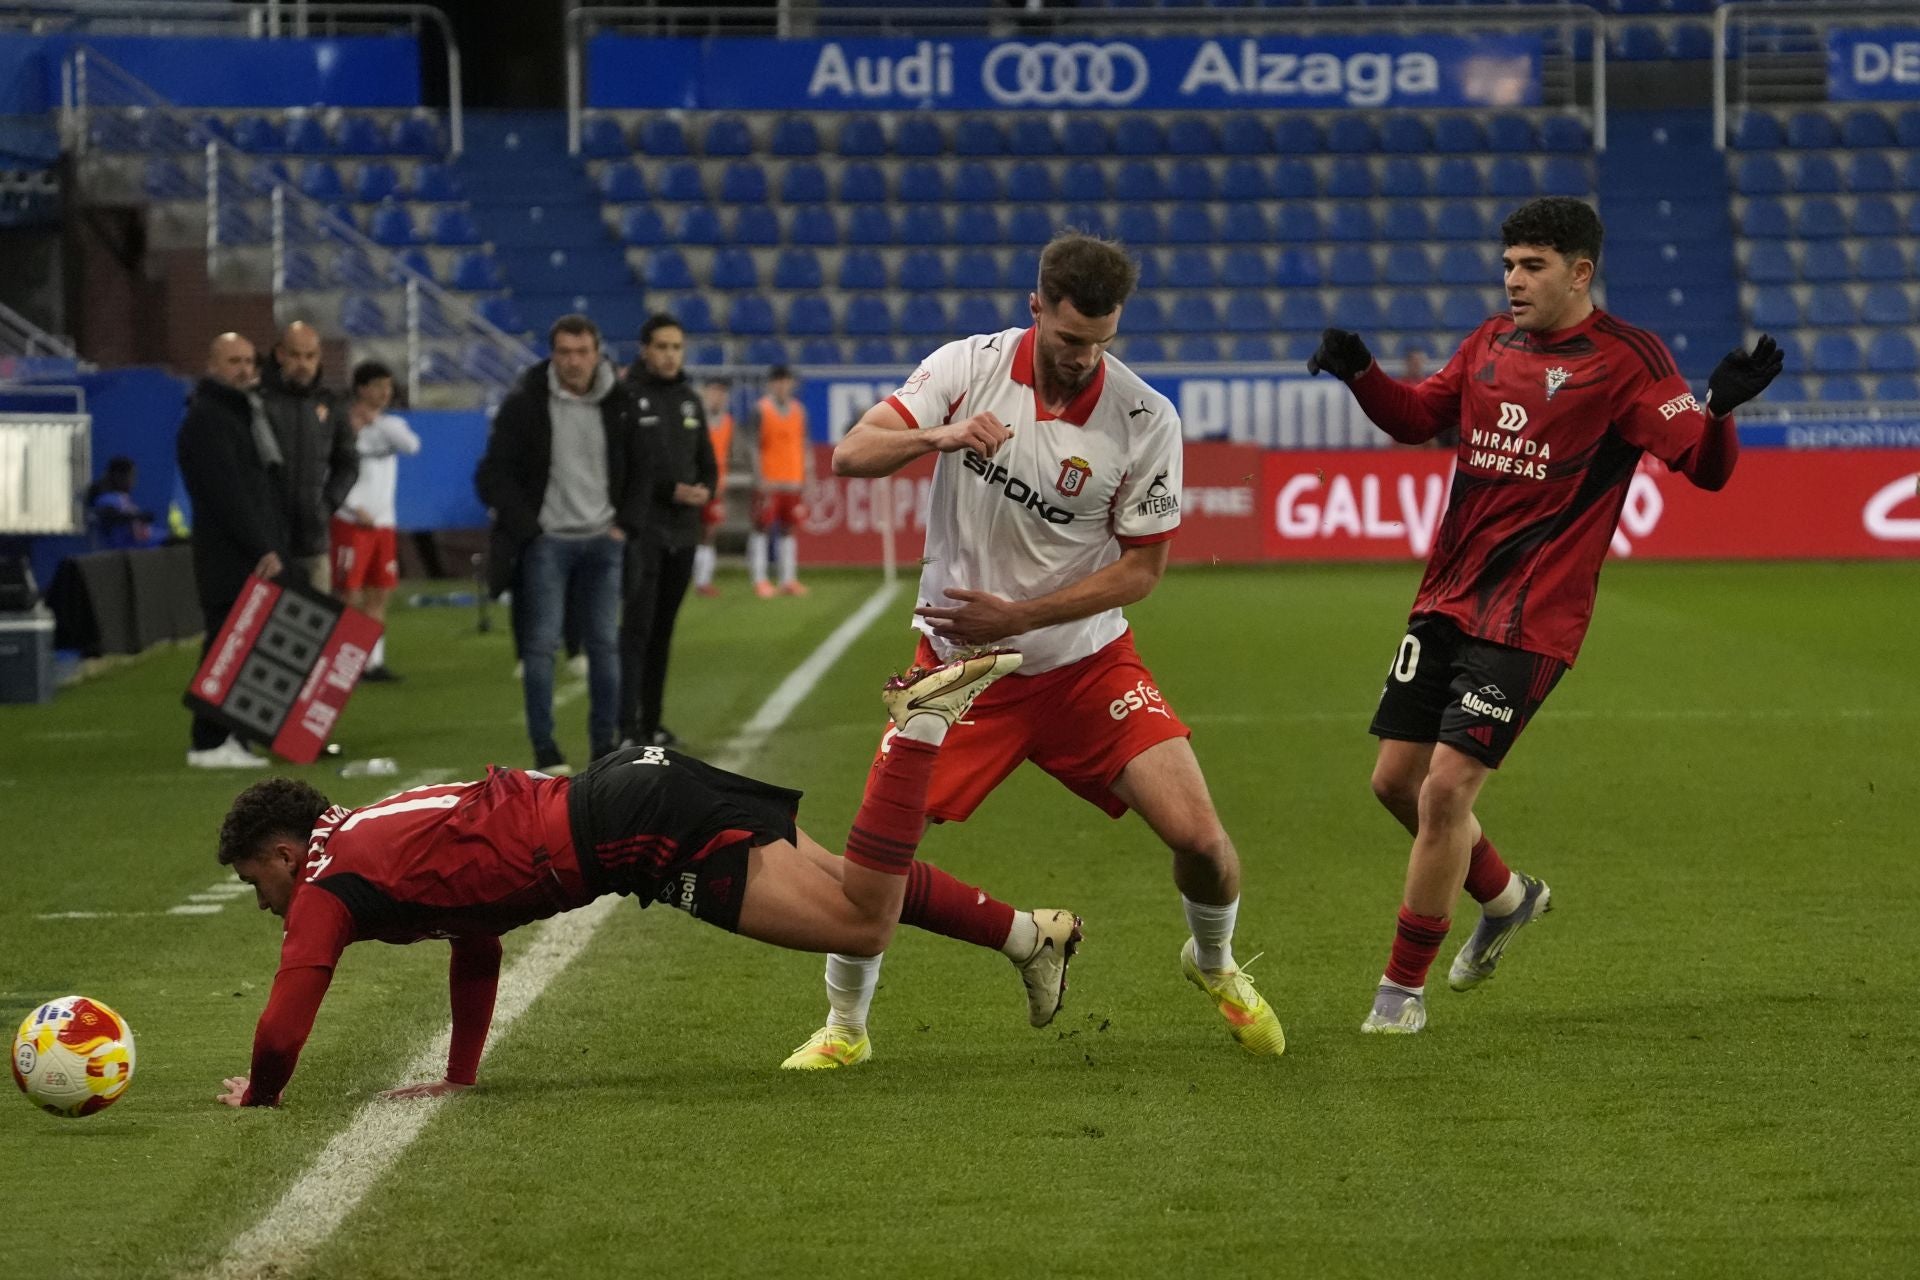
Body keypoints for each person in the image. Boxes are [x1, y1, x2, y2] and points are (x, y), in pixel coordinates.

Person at [779, 231, 1285, 1069]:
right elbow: (851, 452)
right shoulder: (965, 367)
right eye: (1069, 338)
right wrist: (934, 439)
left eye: (1101, 342)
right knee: (877, 859)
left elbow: (1142, 571)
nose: (1085, 358)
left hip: (1085, 665)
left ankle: (1213, 962)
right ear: (1036, 308)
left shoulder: (1145, 418)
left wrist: (1021, 616)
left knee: (1201, 839)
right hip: (956, 671)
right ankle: (846, 1029)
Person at [1305, 196, 1783, 1035]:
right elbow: (1419, 416)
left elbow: (1700, 468)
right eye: (1509, 265)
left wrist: (1719, 410)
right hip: (1447, 597)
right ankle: (1506, 896)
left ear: (1580, 272)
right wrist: (1361, 374)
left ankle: (1399, 995)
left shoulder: (1628, 361)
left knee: (1447, 789)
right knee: (1396, 785)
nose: (1514, 280)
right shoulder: (1490, 343)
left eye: (1533, 266)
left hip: (1534, 617)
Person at [213, 649, 1021, 1107]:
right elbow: (477, 939)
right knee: (852, 888)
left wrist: (260, 1094)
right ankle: (1024, 934)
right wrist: (460, 1077)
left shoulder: (324, 885)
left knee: (858, 922)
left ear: (285, 855)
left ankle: (915, 732)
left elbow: (283, 1027)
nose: (266, 904)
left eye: (259, 883)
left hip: (630, 830)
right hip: (628, 786)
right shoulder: (364, 834)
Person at [475, 315, 651, 775]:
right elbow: (493, 474)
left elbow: (643, 468)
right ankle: (545, 751)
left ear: (597, 354)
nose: (573, 362)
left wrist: (624, 525)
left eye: (582, 352)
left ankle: (603, 748)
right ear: (552, 355)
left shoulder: (622, 402)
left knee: (603, 647)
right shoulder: (525, 402)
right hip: (547, 542)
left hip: (604, 540)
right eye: (564, 353)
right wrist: (529, 529)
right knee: (539, 648)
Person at [175, 332, 287, 770]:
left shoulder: (239, 413)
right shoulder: (207, 418)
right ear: (213, 365)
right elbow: (227, 494)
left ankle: (231, 737)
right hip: (228, 554)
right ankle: (208, 741)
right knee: (224, 647)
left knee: (240, 649)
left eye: (248, 360)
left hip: (246, 551)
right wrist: (262, 545)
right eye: (233, 361)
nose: (244, 368)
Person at [620, 313, 716, 748]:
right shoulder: (627, 397)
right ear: (645, 349)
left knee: (662, 632)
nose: (670, 355)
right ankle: (627, 726)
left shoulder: (689, 399)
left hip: (683, 533)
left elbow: (708, 464)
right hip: (644, 531)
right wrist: (669, 490)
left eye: (676, 347)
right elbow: (623, 468)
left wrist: (703, 490)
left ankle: (652, 722)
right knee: (636, 630)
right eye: (662, 346)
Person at [329, 360, 420, 682]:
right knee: (347, 594)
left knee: (379, 592)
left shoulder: (390, 425)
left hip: (384, 524)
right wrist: (353, 507)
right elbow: (330, 473)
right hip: (350, 522)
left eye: (388, 386)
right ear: (361, 389)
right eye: (378, 386)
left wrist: (376, 421)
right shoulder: (340, 425)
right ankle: (342, 663)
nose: (385, 392)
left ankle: (372, 662)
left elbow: (412, 446)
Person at [258, 320, 357, 595]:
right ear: (280, 355)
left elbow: (348, 463)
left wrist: (326, 505)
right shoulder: (259, 402)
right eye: (295, 355)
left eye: (310, 356)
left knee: (316, 629)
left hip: (313, 540)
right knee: (265, 630)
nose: (303, 363)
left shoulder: (331, 405)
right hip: (265, 543)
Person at [747, 365, 810, 598]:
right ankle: (760, 579)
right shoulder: (761, 410)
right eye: (778, 382)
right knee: (762, 528)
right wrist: (758, 477)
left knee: (788, 530)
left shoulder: (799, 411)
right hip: (769, 480)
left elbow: (803, 444)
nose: (782, 386)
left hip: (792, 479)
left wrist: (807, 475)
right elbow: (753, 445)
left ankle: (788, 579)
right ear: (770, 385)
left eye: (786, 381)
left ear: (791, 384)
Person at [692, 377, 734, 599]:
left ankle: (703, 579)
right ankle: (698, 578)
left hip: (717, 485)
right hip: (698, 484)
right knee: (697, 531)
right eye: (714, 392)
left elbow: (726, 454)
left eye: (722, 393)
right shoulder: (696, 421)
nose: (718, 397)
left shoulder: (727, 421)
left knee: (709, 531)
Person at [86, 456, 162, 550]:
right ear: (119, 477)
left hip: (148, 543)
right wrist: (137, 516)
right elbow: (109, 515)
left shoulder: (123, 498)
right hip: (127, 551)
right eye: (132, 476)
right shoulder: (107, 499)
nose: (134, 481)